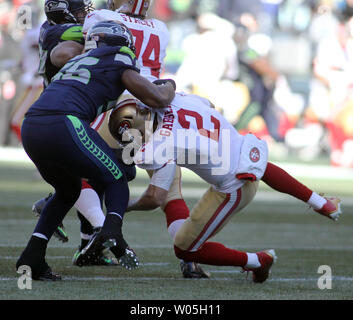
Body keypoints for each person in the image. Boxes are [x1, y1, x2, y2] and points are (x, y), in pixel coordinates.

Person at [105, 93, 342, 283]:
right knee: (183, 231)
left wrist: (125, 207)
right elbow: (208, 103)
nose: (133, 142)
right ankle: (323, 204)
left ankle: (256, 261)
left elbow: (155, 198)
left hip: (233, 187)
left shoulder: (157, 146)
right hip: (246, 153)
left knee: (184, 249)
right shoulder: (176, 99)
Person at [16, 20, 176, 281]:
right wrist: (169, 85)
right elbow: (157, 98)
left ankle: (32, 257)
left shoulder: (79, 59)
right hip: (64, 122)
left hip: (32, 125)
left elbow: (58, 57)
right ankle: (112, 230)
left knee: (68, 191)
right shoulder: (118, 59)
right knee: (116, 177)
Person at [67, 0, 209, 278]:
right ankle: (189, 258)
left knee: (80, 172)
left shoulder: (102, 16)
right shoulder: (161, 28)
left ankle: (97, 229)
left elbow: (81, 52)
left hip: (116, 103)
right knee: (171, 193)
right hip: (156, 107)